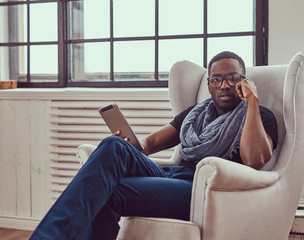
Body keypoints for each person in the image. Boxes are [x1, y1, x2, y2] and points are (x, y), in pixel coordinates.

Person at [30, 51, 278, 240]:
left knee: (109, 192)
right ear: (209, 84)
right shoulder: (196, 114)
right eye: (217, 79)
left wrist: (252, 102)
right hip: (170, 176)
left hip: (199, 191)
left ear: (243, 81)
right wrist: (129, 142)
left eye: (233, 78)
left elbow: (255, 160)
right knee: (114, 145)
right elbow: (148, 144)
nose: (224, 85)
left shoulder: (259, 116)